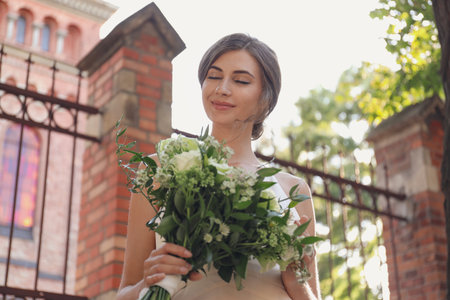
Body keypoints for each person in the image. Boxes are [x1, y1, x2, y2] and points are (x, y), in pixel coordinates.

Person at [117, 33, 321, 300]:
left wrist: (298, 284)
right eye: (213, 76)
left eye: (241, 80)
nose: (222, 88)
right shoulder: (162, 170)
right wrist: (148, 282)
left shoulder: (293, 189)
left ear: (266, 100)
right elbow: (124, 293)